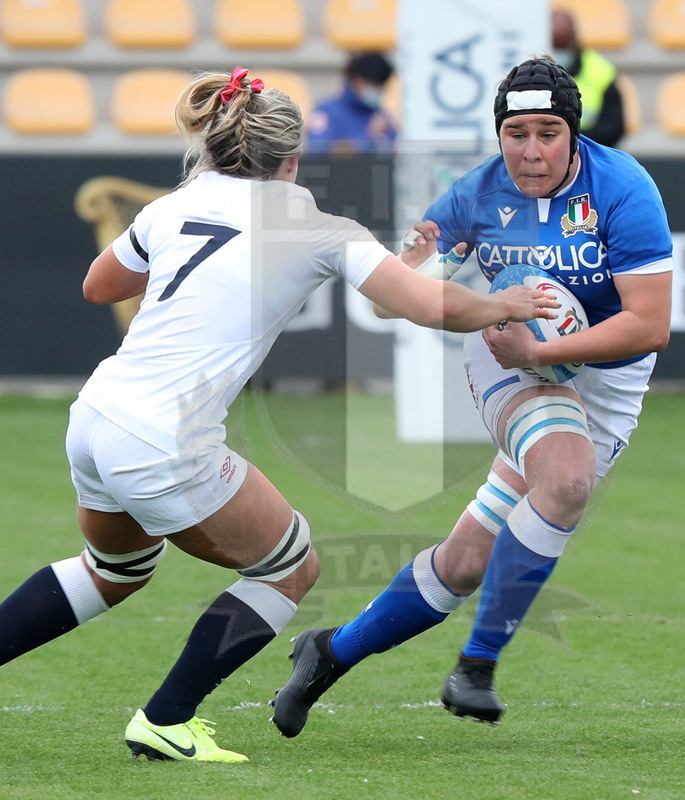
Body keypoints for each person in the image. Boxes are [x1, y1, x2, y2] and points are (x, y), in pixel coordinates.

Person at [0, 66, 559, 763]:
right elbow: (424, 306)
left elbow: (99, 286)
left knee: (111, 570)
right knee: (289, 567)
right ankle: (166, 720)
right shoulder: (318, 227)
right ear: (294, 159)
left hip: (96, 416)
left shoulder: (176, 204)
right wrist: (506, 303)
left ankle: (162, 716)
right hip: (163, 438)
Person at [270, 56, 673, 736]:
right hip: (506, 357)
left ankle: (329, 652)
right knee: (567, 479)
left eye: (548, 133)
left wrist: (543, 351)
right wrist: (412, 265)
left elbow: (649, 326)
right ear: (498, 134)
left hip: (603, 376)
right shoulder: (473, 196)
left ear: (573, 133)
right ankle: (476, 666)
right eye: (516, 133)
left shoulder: (622, 188)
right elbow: (397, 300)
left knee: (465, 563)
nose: (531, 151)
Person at [551, 9, 625, 148]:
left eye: (562, 47)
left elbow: (614, 127)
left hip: (591, 151)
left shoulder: (601, 72)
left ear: (574, 39)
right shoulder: (531, 73)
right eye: (555, 47)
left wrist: (572, 140)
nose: (559, 54)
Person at [307, 52, 397, 154]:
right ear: (356, 80)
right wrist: (368, 137)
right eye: (374, 85)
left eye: (381, 87)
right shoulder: (326, 112)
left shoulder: (379, 115)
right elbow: (318, 151)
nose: (377, 91)